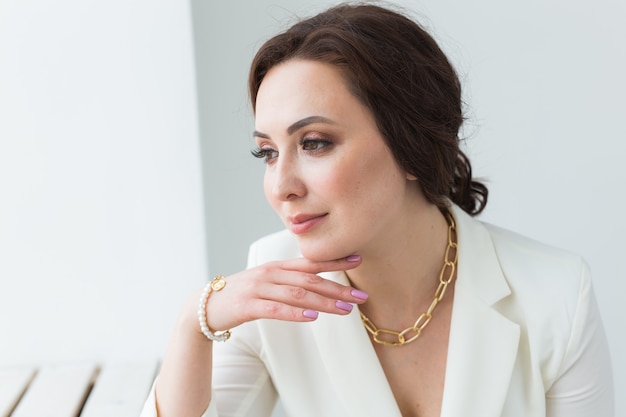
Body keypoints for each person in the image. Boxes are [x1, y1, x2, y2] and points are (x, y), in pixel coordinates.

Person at [141, 3, 614, 417]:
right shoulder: (271, 288)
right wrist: (194, 322)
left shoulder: (556, 297)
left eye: (315, 143)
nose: (281, 185)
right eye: (267, 152)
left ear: (409, 145)